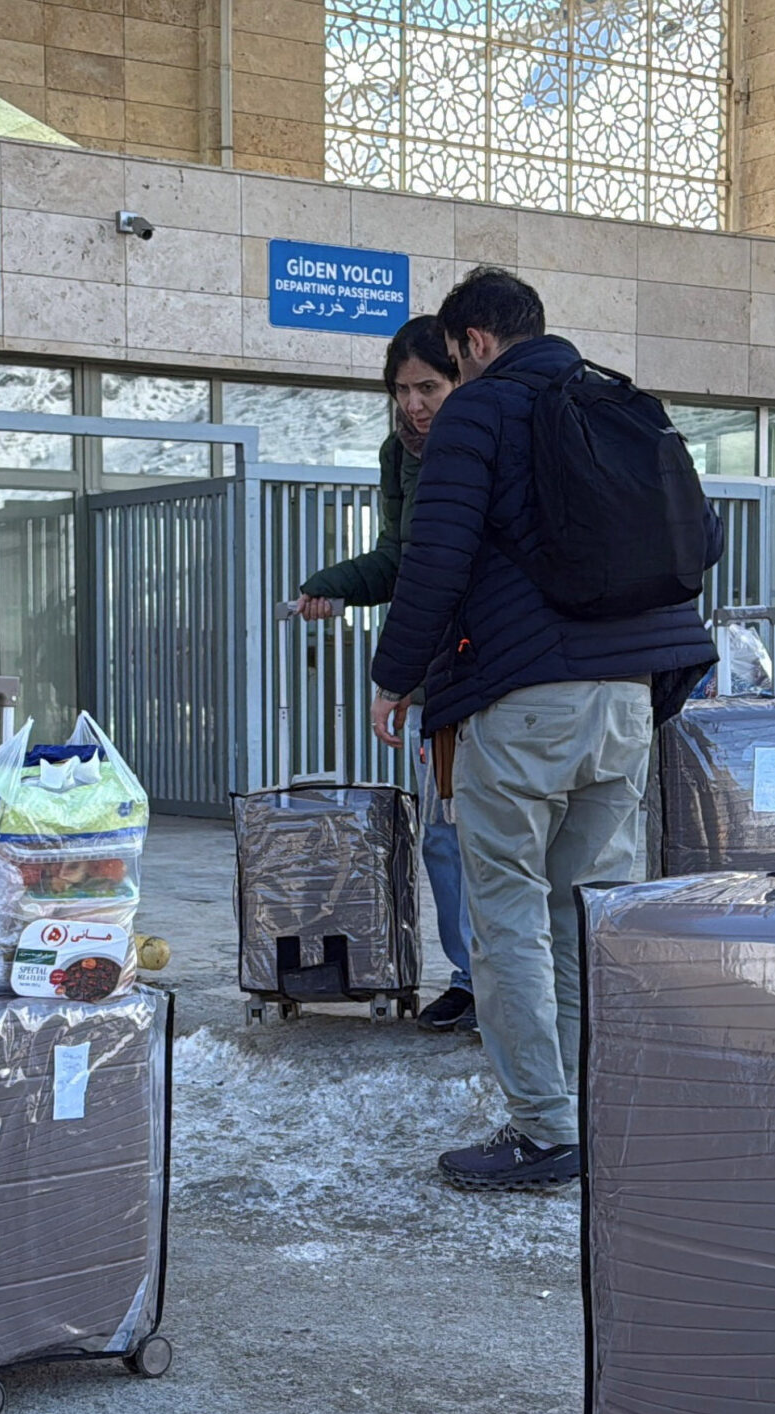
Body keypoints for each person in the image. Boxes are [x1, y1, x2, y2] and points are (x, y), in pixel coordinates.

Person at [368, 269, 717, 1193]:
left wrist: (394, 676)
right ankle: (591, 1113)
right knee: (590, 916)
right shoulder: (618, 400)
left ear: (476, 342)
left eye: (449, 357)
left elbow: (433, 562)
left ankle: (540, 1128)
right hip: (629, 701)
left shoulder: (479, 417)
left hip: (524, 704)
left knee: (508, 919)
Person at [294, 315, 475, 1032]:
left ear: (462, 374)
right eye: (401, 391)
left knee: (493, 843)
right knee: (444, 836)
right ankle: (467, 974)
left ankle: (510, 982)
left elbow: (445, 569)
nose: (413, 405)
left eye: (428, 387)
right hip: (438, 678)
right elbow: (402, 562)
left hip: (495, 669)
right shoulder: (398, 455)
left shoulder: (486, 444)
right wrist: (331, 583)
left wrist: (393, 677)